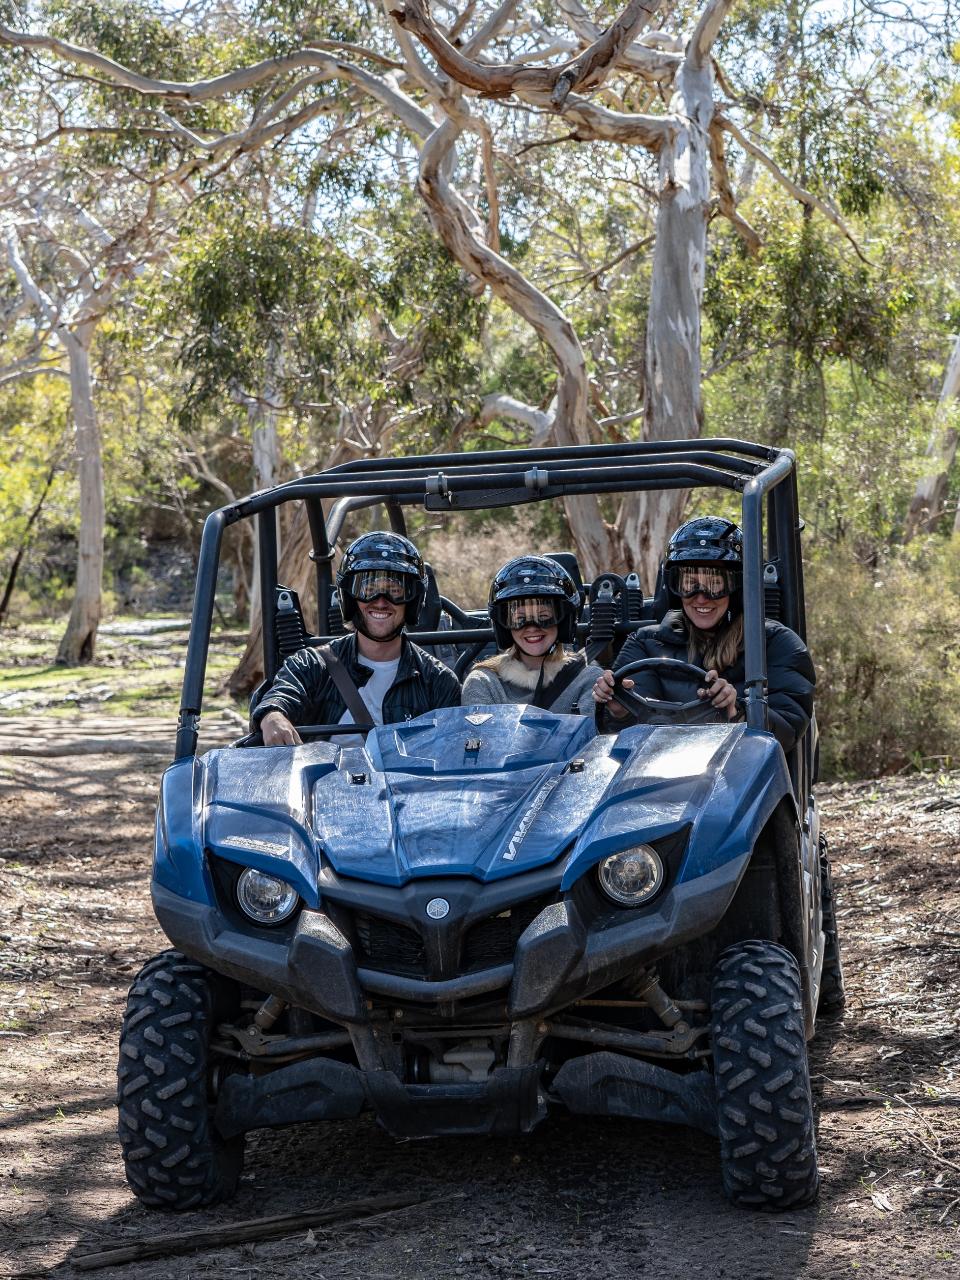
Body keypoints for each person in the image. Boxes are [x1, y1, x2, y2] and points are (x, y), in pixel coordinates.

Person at [592, 516, 815, 751]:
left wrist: (738, 713)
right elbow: (621, 740)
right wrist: (619, 711)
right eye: (690, 583)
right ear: (674, 588)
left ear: (737, 587)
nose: (701, 597)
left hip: (739, 775)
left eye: (715, 584)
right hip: (657, 774)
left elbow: (789, 730)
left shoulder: (775, 644)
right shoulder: (645, 643)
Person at [255, 531, 460, 746]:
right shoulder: (312, 665)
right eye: (368, 589)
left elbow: (450, 754)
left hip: (409, 780)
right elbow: (283, 693)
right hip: (326, 778)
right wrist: (273, 715)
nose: (381, 602)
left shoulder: (437, 681)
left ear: (413, 599)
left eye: (395, 590)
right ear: (350, 597)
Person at [461, 555, 599, 713]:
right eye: (519, 619)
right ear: (504, 626)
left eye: (544, 617)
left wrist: (619, 715)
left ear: (564, 621)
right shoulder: (484, 683)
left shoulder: (589, 679)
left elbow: (596, 733)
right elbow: (480, 736)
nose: (532, 627)